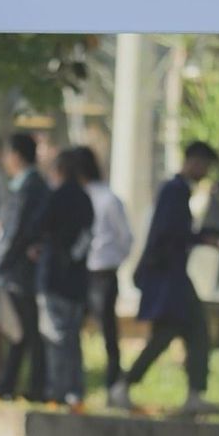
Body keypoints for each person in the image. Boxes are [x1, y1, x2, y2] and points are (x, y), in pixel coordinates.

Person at [109, 141, 219, 413]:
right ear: (193, 161)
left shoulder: (177, 190)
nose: (205, 172)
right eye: (204, 166)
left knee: (188, 332)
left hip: (171, 276)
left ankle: (191, 393)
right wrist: (199, 238)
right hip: (168, 278)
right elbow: (168, 234)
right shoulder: (175, 191)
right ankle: (124, 385)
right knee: (172, 333)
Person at [0, 133, 50, 401]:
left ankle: (31, 388)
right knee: (22, 331)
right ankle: (8, 385)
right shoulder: (29, 185)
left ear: (17, 156)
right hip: (20, 271)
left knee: (25, 331)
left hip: (21, 273)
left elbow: (16, 233)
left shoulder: (29, 188)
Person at [33, 148, 94, 406]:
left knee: (54, 336)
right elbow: (87, 236)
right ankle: (75, 390)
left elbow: (36, 226)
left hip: (54, 277)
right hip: (77, 281)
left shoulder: (55, 197)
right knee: (72, 338)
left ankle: (57, 391)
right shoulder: (85, 199)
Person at [73, 146, 133, 399]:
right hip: (80, 271)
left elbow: (125, 238)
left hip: (103, 271)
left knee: (108, 332)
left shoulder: (108, 198)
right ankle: (76, 385)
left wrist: (112, 259)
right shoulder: (76, 197)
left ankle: (112, 386)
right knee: (72, 329)